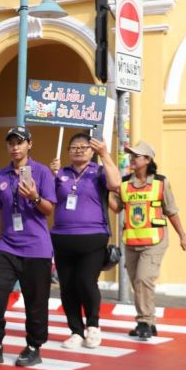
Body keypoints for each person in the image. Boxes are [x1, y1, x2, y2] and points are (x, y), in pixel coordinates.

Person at [0, 126, 56, 367]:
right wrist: (1, 241)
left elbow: (49, 209)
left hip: (37, 248)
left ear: (29, 145)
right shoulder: (1, 176)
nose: (15, 147)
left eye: (20, 142)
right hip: (8, 247)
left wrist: (34, 196)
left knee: (36, 299)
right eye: (11, 142)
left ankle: (33, 346)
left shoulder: (41, 173)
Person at [110, 141, 186, 339]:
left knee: (144, 279)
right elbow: (116, 207)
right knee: (137, 283)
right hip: (131, 240)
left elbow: (171, 211)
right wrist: (105, 191)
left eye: (136, 156)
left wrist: (182, 235)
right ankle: (149, 322)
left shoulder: (161, 182)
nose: (132, 159)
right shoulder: (125, 183)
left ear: (148, 160)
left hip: (155, 241)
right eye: (131, 155)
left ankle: (144, 321)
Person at [49, 133, 121, 349]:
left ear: (91, 151)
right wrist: (50, 175)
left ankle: (93, 325)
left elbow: (116, 182)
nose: (78, 150)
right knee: (67, 286)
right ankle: (75, 330)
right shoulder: (60, 173)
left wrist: (105, 154)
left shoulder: (98, 172)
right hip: (62, 236)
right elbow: (47, 200)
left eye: (83, 147)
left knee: (86, 281)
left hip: (93, 236)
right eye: (74, 147)